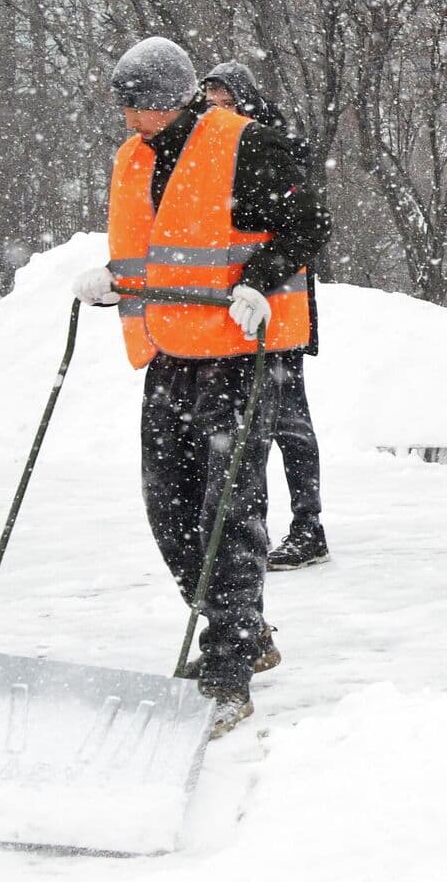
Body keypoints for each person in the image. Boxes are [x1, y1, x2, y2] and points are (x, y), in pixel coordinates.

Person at [73, 37, 328, 735]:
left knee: (229, 509)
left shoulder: (248, 145)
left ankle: (229, 667)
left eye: (138, 103)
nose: (128, 116)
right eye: (123, 103)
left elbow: (309, 223)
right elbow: (156, 247)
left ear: (171, 99)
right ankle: (240, 628)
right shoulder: (134, 158)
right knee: (171, 509)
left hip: (242, 353)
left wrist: (259, 282)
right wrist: (113, 281)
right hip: (169, 353)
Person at [200, 62, 331, 570]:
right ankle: (243, 536)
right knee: (238, 431)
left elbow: (307, 226)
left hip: (278, 315)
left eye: (223, 98)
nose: (214, 107)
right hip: (226, 317)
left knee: (289, 424)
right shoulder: (202, 154)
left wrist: (259, 278)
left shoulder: (268, 148)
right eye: (207, 98)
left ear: (244, 101)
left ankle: (308, 526)